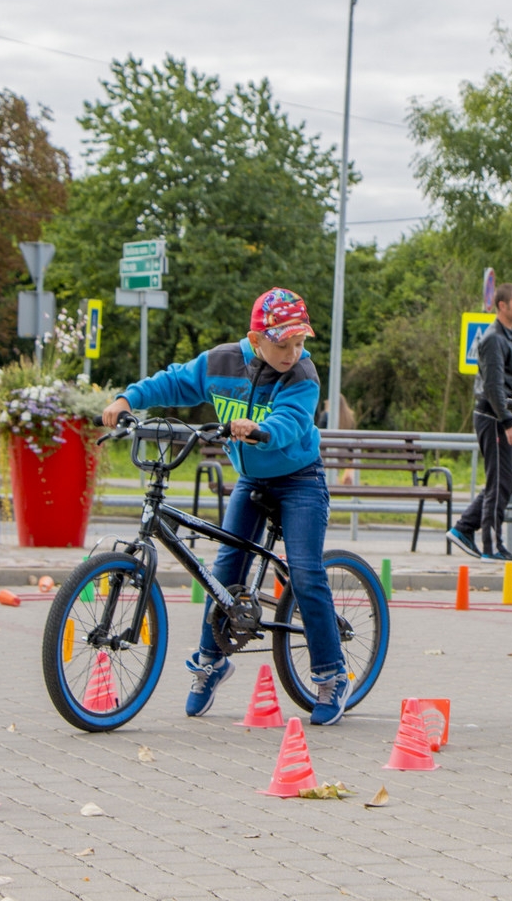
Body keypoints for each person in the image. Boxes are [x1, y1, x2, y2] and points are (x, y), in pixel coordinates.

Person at [101, 288, 350, 725]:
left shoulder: (302, 375)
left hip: (299, 480)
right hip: (253, 478)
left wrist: (260, 428)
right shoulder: (220, 363)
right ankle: (211, 663)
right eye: (283, 343)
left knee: (307, 572)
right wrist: (128, 399)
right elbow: (176, 381)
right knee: (225, 570)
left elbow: (292, 423)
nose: (293, 352)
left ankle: (331, 674)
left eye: (299, 342)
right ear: (256, 340)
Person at [447, 282, 512, 564]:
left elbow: (510, 382)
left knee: (508, 479)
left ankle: (464, 527)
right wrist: (508, 421)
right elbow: (493, 386)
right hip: (493, 417)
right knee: (499, 481)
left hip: (503, 414)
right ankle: (491, 546)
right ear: (502, 306)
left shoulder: (509, 337)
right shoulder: (494, 338)